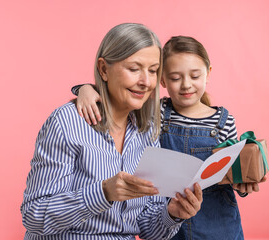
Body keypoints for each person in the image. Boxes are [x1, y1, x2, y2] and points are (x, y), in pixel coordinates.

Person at [72, 35, 267, 239]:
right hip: (169, 219)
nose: (186, 85)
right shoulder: (156, 110)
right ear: (162, 79)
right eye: (175, 78)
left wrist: (243, 186)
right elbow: (116, 92)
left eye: (194, 76)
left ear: (208, 74)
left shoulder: (224, 120)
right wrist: (84, 90)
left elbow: (232, 173)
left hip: (217, 222)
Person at [20, 23, 203, 240]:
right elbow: (34, 215)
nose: (145, 82)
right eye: (134, 69)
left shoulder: (147, 132)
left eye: (153, 71)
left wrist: (172, 214)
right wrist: (103, 192)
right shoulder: (67, 123)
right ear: (104, 69)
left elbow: (147, 229)